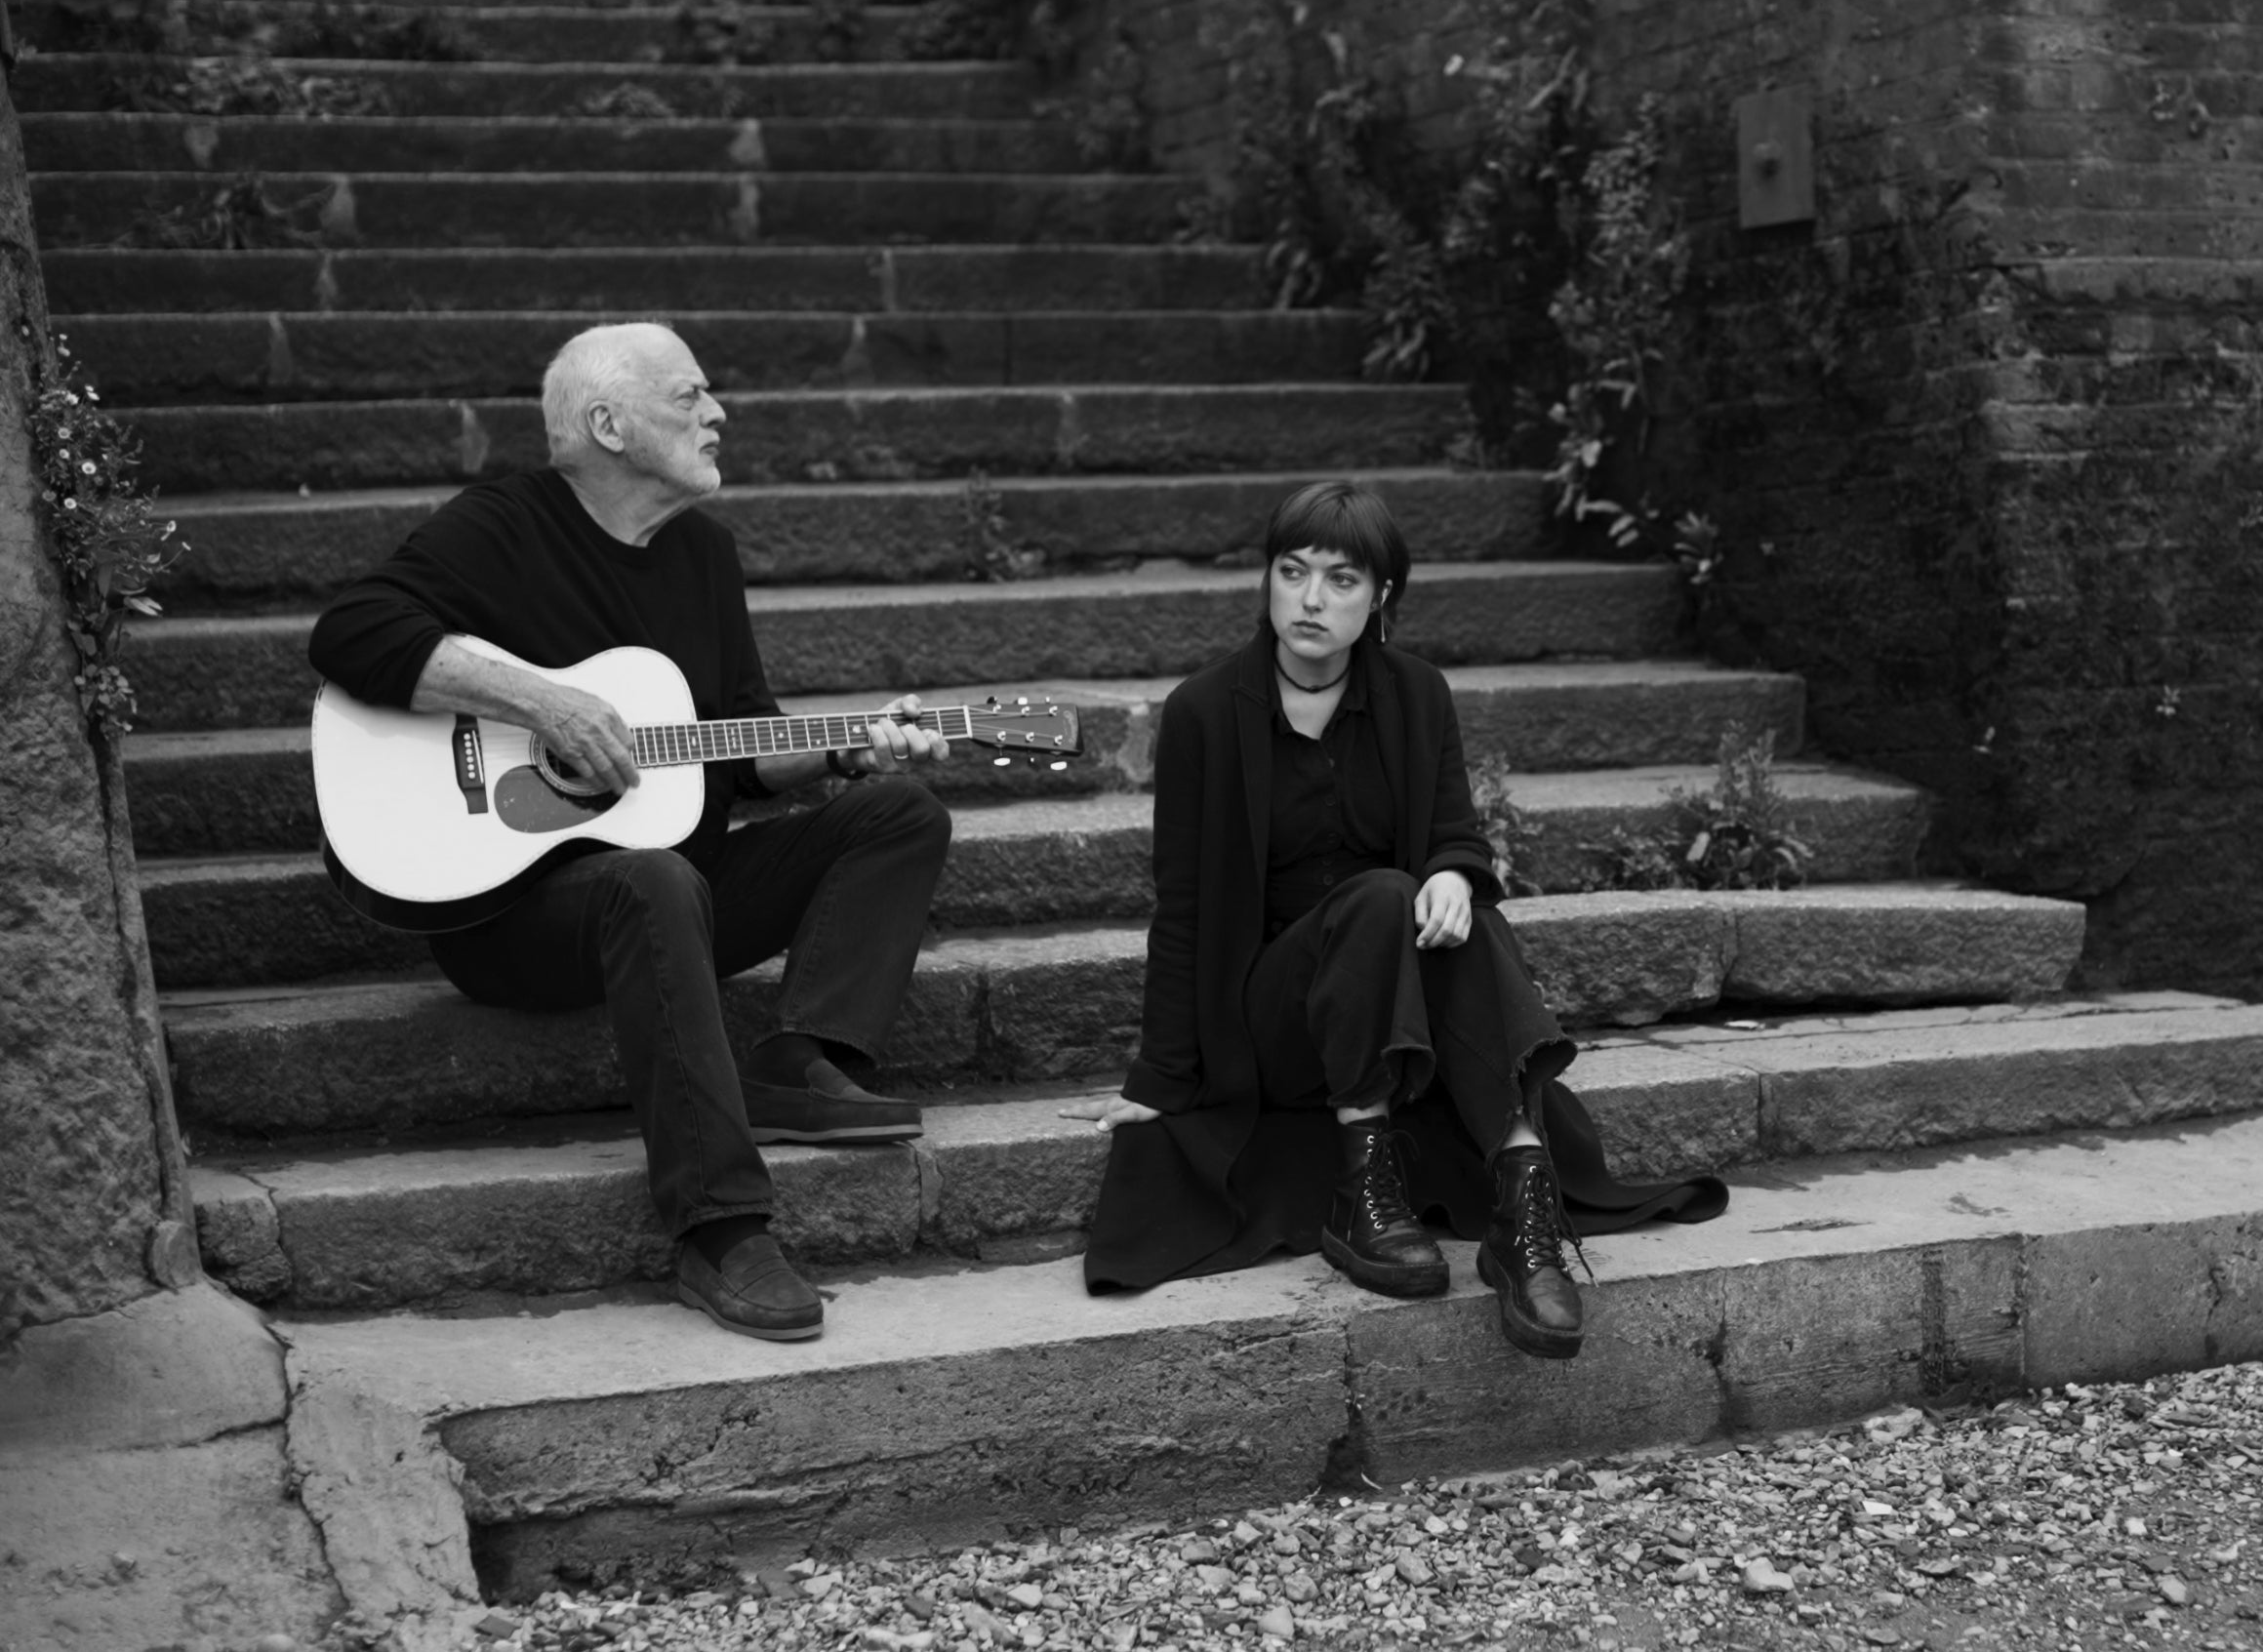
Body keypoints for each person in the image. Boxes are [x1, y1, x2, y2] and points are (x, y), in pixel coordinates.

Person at [308, 322, 953, 1345]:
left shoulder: (704, 553)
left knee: (898, 812)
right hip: (514, 914)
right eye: (690, 394)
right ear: (608, 424)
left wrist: (844, 752)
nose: (719, 413)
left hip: (677, 894)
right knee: (651, 877)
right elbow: (350, 634)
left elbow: (734, 747)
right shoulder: (505, 524)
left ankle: (800, 1057)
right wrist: (540, 704)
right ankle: (721, 1228)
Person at [1071, 480, 1724, 1357]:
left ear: (1380, 598)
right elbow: (1182, 909)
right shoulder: (1202, 714)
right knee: (1383, 893)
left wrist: (1456, 873)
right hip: (1279, 1018)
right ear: (1266, 579)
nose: (1309, 600)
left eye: (1340, 580)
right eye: (1291, 571)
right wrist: (1156, 1079)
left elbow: (1453, 830)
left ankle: (1521, 1214)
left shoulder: (1416, 694)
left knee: (1465, 914)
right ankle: (1363, 1182)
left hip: (1395, 1008)